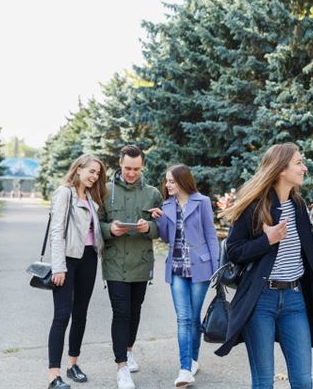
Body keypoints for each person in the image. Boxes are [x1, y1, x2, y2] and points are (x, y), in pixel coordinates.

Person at [214, 143, 313, 389]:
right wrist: (266, 241)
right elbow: (234, 250)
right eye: (299, 163)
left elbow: (307, 248)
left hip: (294, 300)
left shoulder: (299, 205)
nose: (304, 167)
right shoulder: (254, 205)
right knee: (263, 381)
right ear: (281, 169)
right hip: (261, 300)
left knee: (303, 380)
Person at [99, 145, 163, 389]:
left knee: (135, 310)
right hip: (115, 263)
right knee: (121, 312)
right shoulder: (105, 191)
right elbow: (97, 224)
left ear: (142, 167)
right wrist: (110, 230)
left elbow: (162, 228)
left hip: (141, 263)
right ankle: (121, 367)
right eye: (127, 168)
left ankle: (129, 349)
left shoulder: (152, 193)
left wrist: (149, 228)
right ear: (120, 164)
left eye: (136, 169)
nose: (131, 173)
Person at [148, 165, 219, 387]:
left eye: (171, 181)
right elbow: (167, 239)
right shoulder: (166, 205)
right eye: (166, 181)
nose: (167, 185)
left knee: (194, 317)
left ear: (183, 181)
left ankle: (193, 359)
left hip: (201, 268)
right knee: (183, 318)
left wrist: (217, 268)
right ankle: (185, 369)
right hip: (177, 268)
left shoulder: (202, 202)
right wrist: (160, 220)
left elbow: (211, 235)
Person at [47, 154, 106, 389]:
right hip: (68, 261)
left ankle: (73, 365)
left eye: (98, 173)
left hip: (89, 258)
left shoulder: (91, 198)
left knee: (80, 314)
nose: (94, 176)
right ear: (78, 169)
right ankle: (53, 376)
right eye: (91, 171)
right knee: (62, 315)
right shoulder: (65, 193)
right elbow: (56, 231)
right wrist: (59, 266)